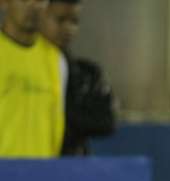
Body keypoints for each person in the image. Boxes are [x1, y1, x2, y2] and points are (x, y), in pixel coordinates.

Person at [39, 0, 115, 155]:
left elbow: (106, 121)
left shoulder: (87, 73)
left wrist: (59, 116)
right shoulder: (19, 67)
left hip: (71, 165)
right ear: (40, 16)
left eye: (74, 21)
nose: (68, 28)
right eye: (60, 20)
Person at [0, 0, 65, 157]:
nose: (32, 5)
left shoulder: (57, 60)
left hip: (41, 174)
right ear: (4, 3)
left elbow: (56, 129)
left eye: (39, 0)